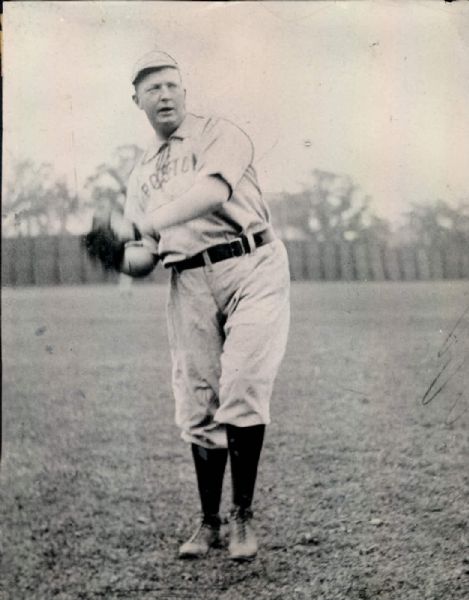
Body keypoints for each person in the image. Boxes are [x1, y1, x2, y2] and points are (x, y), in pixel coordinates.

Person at [124, 50, 290, 561]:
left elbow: (213, 193)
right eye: (152, 89)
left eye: (172, 84)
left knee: (241, 384)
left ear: (185, 90)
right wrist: (119, 253)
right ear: (138, 101)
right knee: (198, 403)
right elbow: (144, 256)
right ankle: (209, 521)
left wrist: (149, 225)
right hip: (188, 280)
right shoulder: (139, 175)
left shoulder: (220, 132)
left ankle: (242, 516)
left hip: (251, 263)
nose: (164, 95)